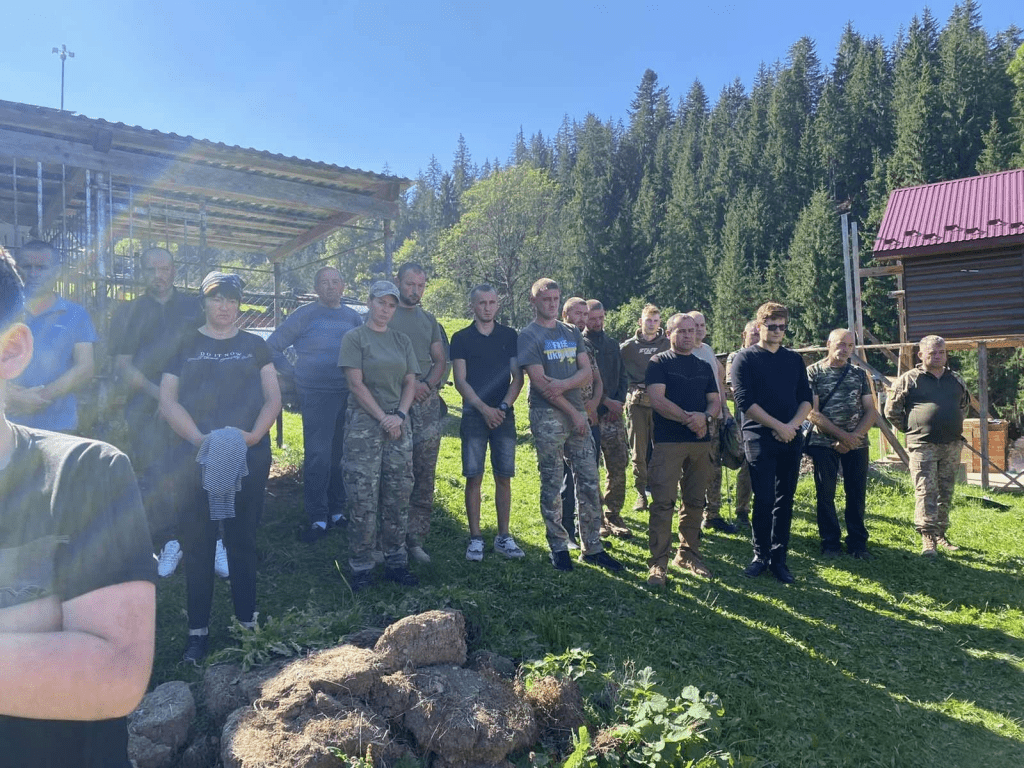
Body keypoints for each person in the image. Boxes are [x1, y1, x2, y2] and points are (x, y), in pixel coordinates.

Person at [0, 245, 156, 768]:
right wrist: (49, 618)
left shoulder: (84, 475)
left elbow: (113, 672)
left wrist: (44, 393)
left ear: (10, 351)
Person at [160, 271, 282, 663]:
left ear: (239, 304)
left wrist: (248, 438)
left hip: (247, 456)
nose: (224, 307)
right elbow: (168, 402)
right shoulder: (184, 342)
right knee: (198, 543)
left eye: (231, 299)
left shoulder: (255, 346)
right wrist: (201, 441)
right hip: (193, 455)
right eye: (216, 299)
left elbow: (272, 399)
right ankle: (198, 634)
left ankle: (248, 623)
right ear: (204, 302)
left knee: (242, 540)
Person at [517, 278, 623, 573]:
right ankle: (559, 546)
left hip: (577, 413)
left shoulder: (572, 331)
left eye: (555, 298)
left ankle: (592, 546)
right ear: (534, 301)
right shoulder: (528, 335)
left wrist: (563, 387)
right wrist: (572, 409)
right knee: (552, 481)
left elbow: (586, 372)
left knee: (589, 479)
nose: (551, 303)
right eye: (545, 298)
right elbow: (539, 383)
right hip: (548, 415)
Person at [116, 247, 205, 578]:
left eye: (165, 268)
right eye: (152, 268)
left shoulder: (194, 309)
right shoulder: (128, 312)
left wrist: (179, 402)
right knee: (155, 473)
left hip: (192, 404)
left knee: (193, 470)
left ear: (174, 270)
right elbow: (124, 366)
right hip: (145, 406)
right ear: (141, 271)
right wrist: (162, 399)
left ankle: (200, 538)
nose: (159, 274)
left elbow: (207, 352)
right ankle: (165, 542)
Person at [268, 266, 363, 543]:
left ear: (343, 286)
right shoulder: (304, 315)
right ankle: (317, 517)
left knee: (340, 456)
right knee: (318, 456)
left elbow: (365, 350)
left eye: (335, 281)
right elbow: (273, 346)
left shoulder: (352, 317)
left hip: (347, 394)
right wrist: (293, 373)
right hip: (316, 395)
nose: (330, 286)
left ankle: (337, 511)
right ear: (316, 287)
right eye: (324, 282)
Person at [339, 280, 420, 590]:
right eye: (381, 302)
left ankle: (395, 560)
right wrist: (383, 418)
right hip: (365, 424)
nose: (386, 309)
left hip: (399, 423)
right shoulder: (355, 338)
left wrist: (398, 415)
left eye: (391, 305)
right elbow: (355, 384)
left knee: (398, 493)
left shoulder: (401, 341)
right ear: (369, 302)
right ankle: (361, 565)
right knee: (363, 495)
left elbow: (410, 382)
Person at [730, 302, 812, 583]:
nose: (777, 331)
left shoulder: (794, 360)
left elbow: (806, 398)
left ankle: (779, 558)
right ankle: (760, 554)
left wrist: (792, 426)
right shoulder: (745, 359)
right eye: (771, 326)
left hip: (791, 436)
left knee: (784, 500)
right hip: (758, 435)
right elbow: (744, 401)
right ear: (759, 326)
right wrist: (778, 426)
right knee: (763, 499)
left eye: (782, 326)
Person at [450, 284, 525, 561]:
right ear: (473, 306)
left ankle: (503, 537)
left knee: (504, 476)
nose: (487, 307)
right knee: (474, 476)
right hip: (473, 414)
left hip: (504, 414)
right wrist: (483, 409)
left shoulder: (509, 336)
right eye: (482, 303)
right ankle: (476, 538)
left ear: (497, 305)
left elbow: (518, 377)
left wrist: (502, 407)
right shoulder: (460, 338)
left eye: (492, 302)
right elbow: (460, 381)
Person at [645, 314, 721, 586]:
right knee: (663, 502)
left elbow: (715, 401)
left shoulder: (703, 365)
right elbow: (657, 399)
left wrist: (707, 418)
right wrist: (693, 419)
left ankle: (688, 554)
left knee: (695, 501)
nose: (689, 335)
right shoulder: (658, 363)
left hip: (701, 442)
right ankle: (658, 564)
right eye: (682, 331)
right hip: (669, 442)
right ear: (669, 333)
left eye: (692, 331)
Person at [885, 335, 970, 556]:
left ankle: (941, 534)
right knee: (925, 490)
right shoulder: (909, 379)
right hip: (923, 446)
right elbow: (891, 411)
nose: (938, 356)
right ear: (921, 355)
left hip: (951, 445)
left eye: (941, 352)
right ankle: (928, 538)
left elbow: (964, 406)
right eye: (932, 353)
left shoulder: (956, 379)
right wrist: (913, 429)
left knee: (945, 491)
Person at [388, 263, 446, 564]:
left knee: (425, 471)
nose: (415, 290)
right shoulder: (386, 314)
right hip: (394, 402)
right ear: (398, 282)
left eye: (421, 285)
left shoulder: (429, 320)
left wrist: (426, 384)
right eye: (410, 284)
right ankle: (390, 540)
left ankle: (415, 539)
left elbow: (439, 360)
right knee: (397, 474)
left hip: (426, 403)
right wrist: (408, 387)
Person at [8, 240, 96, 431]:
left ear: (57, 272)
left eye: (41, 267)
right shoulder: (3, 310)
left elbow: (86, 367)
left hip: (58, 427)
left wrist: (39, 398)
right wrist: (12, 396)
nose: (33, 273)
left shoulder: (76, 314)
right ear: (16, 269)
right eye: (27, 266)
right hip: (6, 426)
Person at [806, 329, 877, 559]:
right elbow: (812, 413)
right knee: (825, 494)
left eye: (849, 345)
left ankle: (857, 543)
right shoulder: (813, 372)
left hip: (857, 443)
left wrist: (853, 437)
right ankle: (830, 543)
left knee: (856, 493)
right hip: (823, 442)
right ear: (828, 344)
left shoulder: (859, 374)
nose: (844, 349)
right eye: (840, 344)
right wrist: (841, 436)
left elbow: (870, 410)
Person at [584, 299, 633, 538]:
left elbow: (624, 376)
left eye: (600, 317)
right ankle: (598, 516)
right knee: (591, 468)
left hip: (614, 415)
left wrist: (619, 402)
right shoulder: (580, 344)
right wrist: (604, 402)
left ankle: (614, 513)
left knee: (618, 464)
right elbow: (585, 381)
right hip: (592, 414)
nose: (597, 322)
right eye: (592, 318)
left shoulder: (614, 345)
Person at [687, 311, 739, 535]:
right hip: (698, 420)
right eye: (694, 325)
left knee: (715, 468)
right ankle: (692, 517)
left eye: (702, 325)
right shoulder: (685, 353)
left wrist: (726, 410)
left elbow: (719, 384)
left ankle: (713, 515)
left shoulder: (708, 351)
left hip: (717, 419)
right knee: (695, 470)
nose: (699, 329)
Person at [559, 297, 603, 545]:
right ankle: (566, 531)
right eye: (578, 314)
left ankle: (587, 530)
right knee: (565, 476)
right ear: (565, 314)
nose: (583, 319)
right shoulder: (557, 341)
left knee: (588, 477)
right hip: (565, 415)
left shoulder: (585, 343)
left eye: (585, 314)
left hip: (589, 417)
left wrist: (595, 404)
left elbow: (597, 379)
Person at [620, 304, 670, 511]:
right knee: (638, 450)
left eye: (656, 320)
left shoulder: (667, 344)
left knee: (663, 448)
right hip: (637, 402)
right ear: (640, 321)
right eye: (648, 320)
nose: (652, 324)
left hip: (662, 402)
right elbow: (618, 374)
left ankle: (662, 492)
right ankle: (640, 493)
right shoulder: (627, 348)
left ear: (660, 323)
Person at [725, 320, 759, 527]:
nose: (756, 337)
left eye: (758, 333)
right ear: (743, 335)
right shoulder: (735, 357)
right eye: (752, 334)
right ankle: (742, 510)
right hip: (743, 421)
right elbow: (732, 387)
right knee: (746, 465)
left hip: (769, 421)